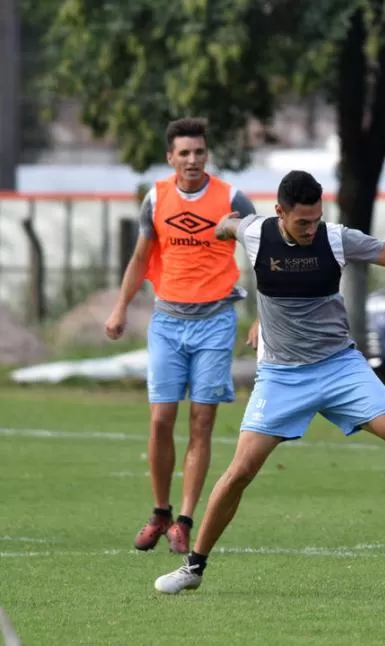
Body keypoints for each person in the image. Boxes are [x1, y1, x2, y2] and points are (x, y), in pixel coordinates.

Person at [153, 170, 385, 594]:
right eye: (302, 221)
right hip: (282, 376)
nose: (311, 228)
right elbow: (227, 226)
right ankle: (193, 567)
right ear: (279, 213)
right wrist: (224, 226)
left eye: (316, 219)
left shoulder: (336, 238)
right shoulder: (255, 233)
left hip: (340, 367)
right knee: (239, 472)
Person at [104, 117, 257, 554]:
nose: (192, 160)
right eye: (184, 153)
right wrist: (119, 308)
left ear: (206, 155)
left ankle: (184, 521)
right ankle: (160, 511)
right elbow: (140, 258)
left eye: (199, 152)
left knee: (202, 421)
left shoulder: (232, 198)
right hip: (167, 322)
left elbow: (265, 252)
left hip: (215, 323)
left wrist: (264, 316)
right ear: (171, 157)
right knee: (160, 419)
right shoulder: (156, 198)